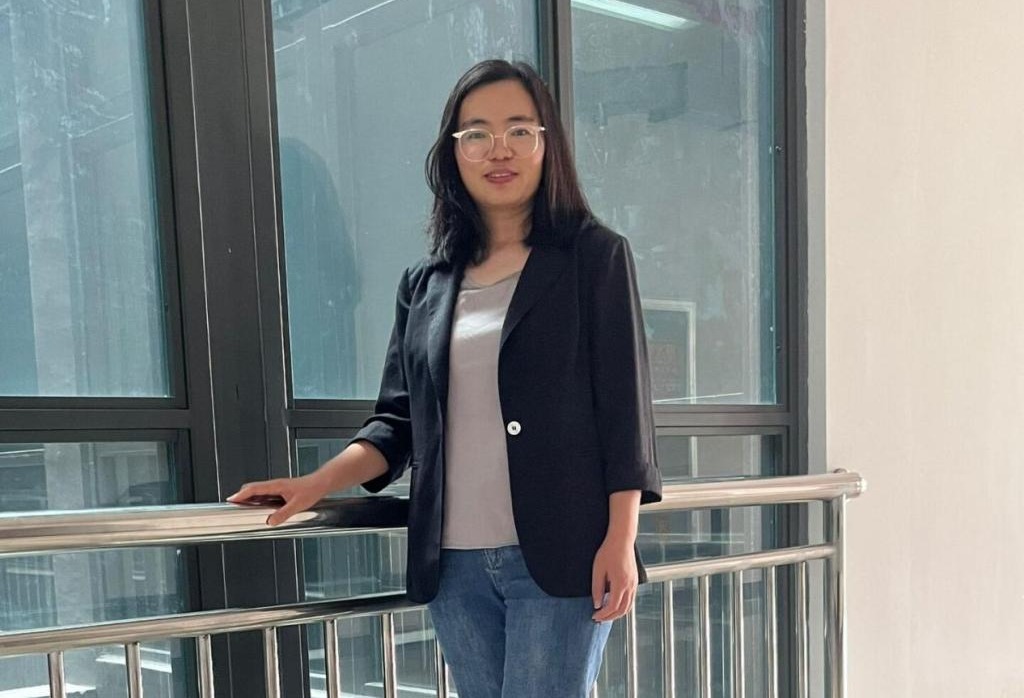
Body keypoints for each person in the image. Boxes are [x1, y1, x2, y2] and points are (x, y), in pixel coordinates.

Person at [228, 59, 662, 698]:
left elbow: (624, 411)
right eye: (477, 133)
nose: (499, 149)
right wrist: (315, 483)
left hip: (563, 554)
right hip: (453, 565)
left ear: (547, 144)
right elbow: (397, 422)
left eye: (519, 130)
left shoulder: (593, 257)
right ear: (453, 152)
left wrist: (621, 539)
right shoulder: (425, 283)